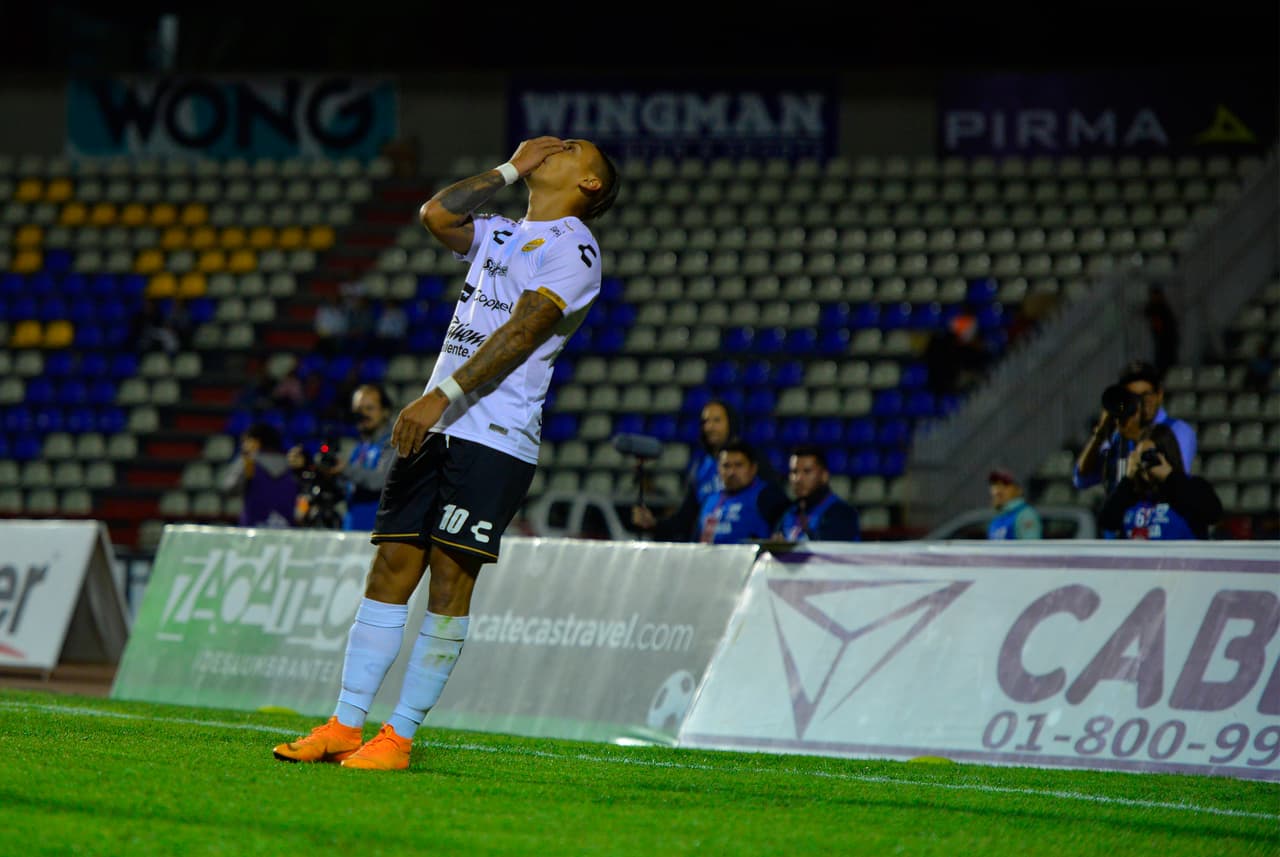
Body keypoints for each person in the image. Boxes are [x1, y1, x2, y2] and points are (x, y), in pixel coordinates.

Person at [272, 135, 619, 771]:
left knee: (449, 582)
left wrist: (443, 395)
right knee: (390, 569)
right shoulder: (504, 232)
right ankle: (347, 725)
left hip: (496, 437)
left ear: (590, 184)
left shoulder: (576, 247)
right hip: (438, 428)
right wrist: (513, 166)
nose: (557, 146)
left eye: (571, 148)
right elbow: (437, 214)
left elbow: (521, 332)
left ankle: (398, 737)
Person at [1074, 360, 1198, 498]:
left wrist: (1135, 436)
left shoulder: (1178, 429)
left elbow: (1172, 478)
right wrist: (1101, 432)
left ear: (1159, 395)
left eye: (1146, 395)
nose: (1141, 402)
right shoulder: (1120, 434)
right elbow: (1082, 478)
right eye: (1133, 397)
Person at [631, 399, 736, 541]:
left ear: (731, 423)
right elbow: (685, 519)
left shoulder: (749, 461)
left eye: (717, 421)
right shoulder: (701, 467)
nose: (710, 427)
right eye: (705, 422)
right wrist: (654, 523)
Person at [1098, 423, 1223, 539]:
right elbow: (1107, 522)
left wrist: (1169, 476)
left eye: (1150, 455)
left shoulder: (1192, 486)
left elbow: (1213, 514)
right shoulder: (1132, 494)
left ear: (1166, 455)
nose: (1145, 464)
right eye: (1140, 456)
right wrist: (1128, 479)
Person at [697, 439, 789, 544]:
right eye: (726, 466)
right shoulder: (709, 500)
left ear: (753, 468)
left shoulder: (768, 496)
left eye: (738, 465)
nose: (731, 472)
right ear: (718, 469)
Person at [774, 445, 860, 542]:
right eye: (794, 472)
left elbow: (826, 552)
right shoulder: (788, 513)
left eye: (807, 471)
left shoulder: (842, 513)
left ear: (824, 475)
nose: (798, 479)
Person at [219, 422, 297, 528]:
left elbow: (229, 489)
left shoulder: (248, 463)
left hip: (254, 529)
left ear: (256, 442)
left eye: (246, 441)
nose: (243, 446)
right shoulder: (292, 465)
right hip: (285, 529)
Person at [986, 467, 1042, 540]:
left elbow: (1031, 549)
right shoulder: (999, 515)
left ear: (1018, 490)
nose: (997, 490)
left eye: (1005, 484)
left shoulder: (1025, 515)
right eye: (994, 484)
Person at [1142, 284, 1180, 380]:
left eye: (1155, 295)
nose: (1153, 298)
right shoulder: (1155, 307)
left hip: (1168, 342)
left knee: (1168, 364)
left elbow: (1170, 328)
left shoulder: (1163, 308)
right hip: (1161, 343)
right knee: (1160, 365)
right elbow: (1147, 311)